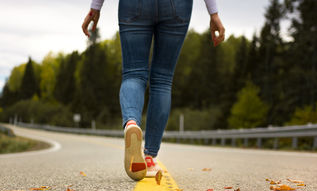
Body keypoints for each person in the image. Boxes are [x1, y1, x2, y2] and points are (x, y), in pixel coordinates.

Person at [82, 0, 225, 181]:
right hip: (178, 7)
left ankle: (132, 124)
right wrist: (213, 13)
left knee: (133, 74)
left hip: (134, 6)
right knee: (163, 80)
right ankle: (149, 157)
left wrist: (96, 7)